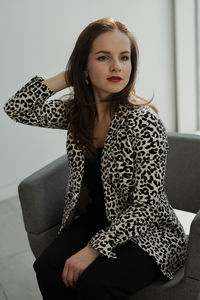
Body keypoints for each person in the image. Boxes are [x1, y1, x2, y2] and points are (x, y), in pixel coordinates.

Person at [4, 17, 188, 300]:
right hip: (99, 219)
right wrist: (70, 75)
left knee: (96, 283)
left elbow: (147, 207)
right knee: (47, 268)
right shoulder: (77, 113)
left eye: (124, 57)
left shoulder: (144, 123)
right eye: (103, 57)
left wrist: (93, 249)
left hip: (149, 232)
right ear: (85, 66)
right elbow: (18, 108)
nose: (117, 66)